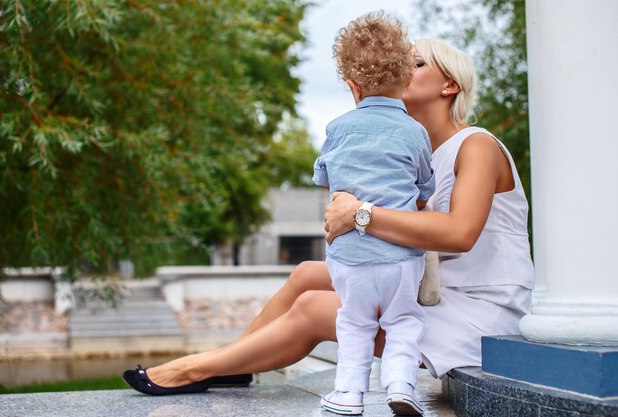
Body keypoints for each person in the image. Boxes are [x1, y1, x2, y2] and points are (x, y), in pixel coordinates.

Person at [122, 38, 534, 410]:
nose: (403, 70)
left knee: (315, 308)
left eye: (417, 63)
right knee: (305, 274)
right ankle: (233, 363)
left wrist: (360, 214)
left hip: (482, 313)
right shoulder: (412, 148)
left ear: (450, 85)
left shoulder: (476, 145)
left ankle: (193, 369)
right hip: (436, 292)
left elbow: (459, 234)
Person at [312, 13, 434, 416]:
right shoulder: (415, 131)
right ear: (406, 79)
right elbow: (425, 187)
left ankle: (349, 393)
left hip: (350, 256)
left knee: (355, 323)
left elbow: (322, 176)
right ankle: (401, 386)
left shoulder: (338, 128)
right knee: (403, 321)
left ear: (351, 85)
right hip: (401, 257)